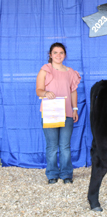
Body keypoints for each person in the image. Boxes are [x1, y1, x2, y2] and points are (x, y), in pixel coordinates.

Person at [36, 42, 81, 184]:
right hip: (50, 113)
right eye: (55, 52)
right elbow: (38, 90)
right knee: (51, 146)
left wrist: (75, 109)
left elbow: (73, 91)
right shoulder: (45, 70)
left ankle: (67, 174)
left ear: (65, 55)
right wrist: (46, 93)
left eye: (61, 52)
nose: (58, 55)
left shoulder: (71, 72)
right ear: (50, 55)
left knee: (65, 146)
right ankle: (52, 174)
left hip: (67, 113)